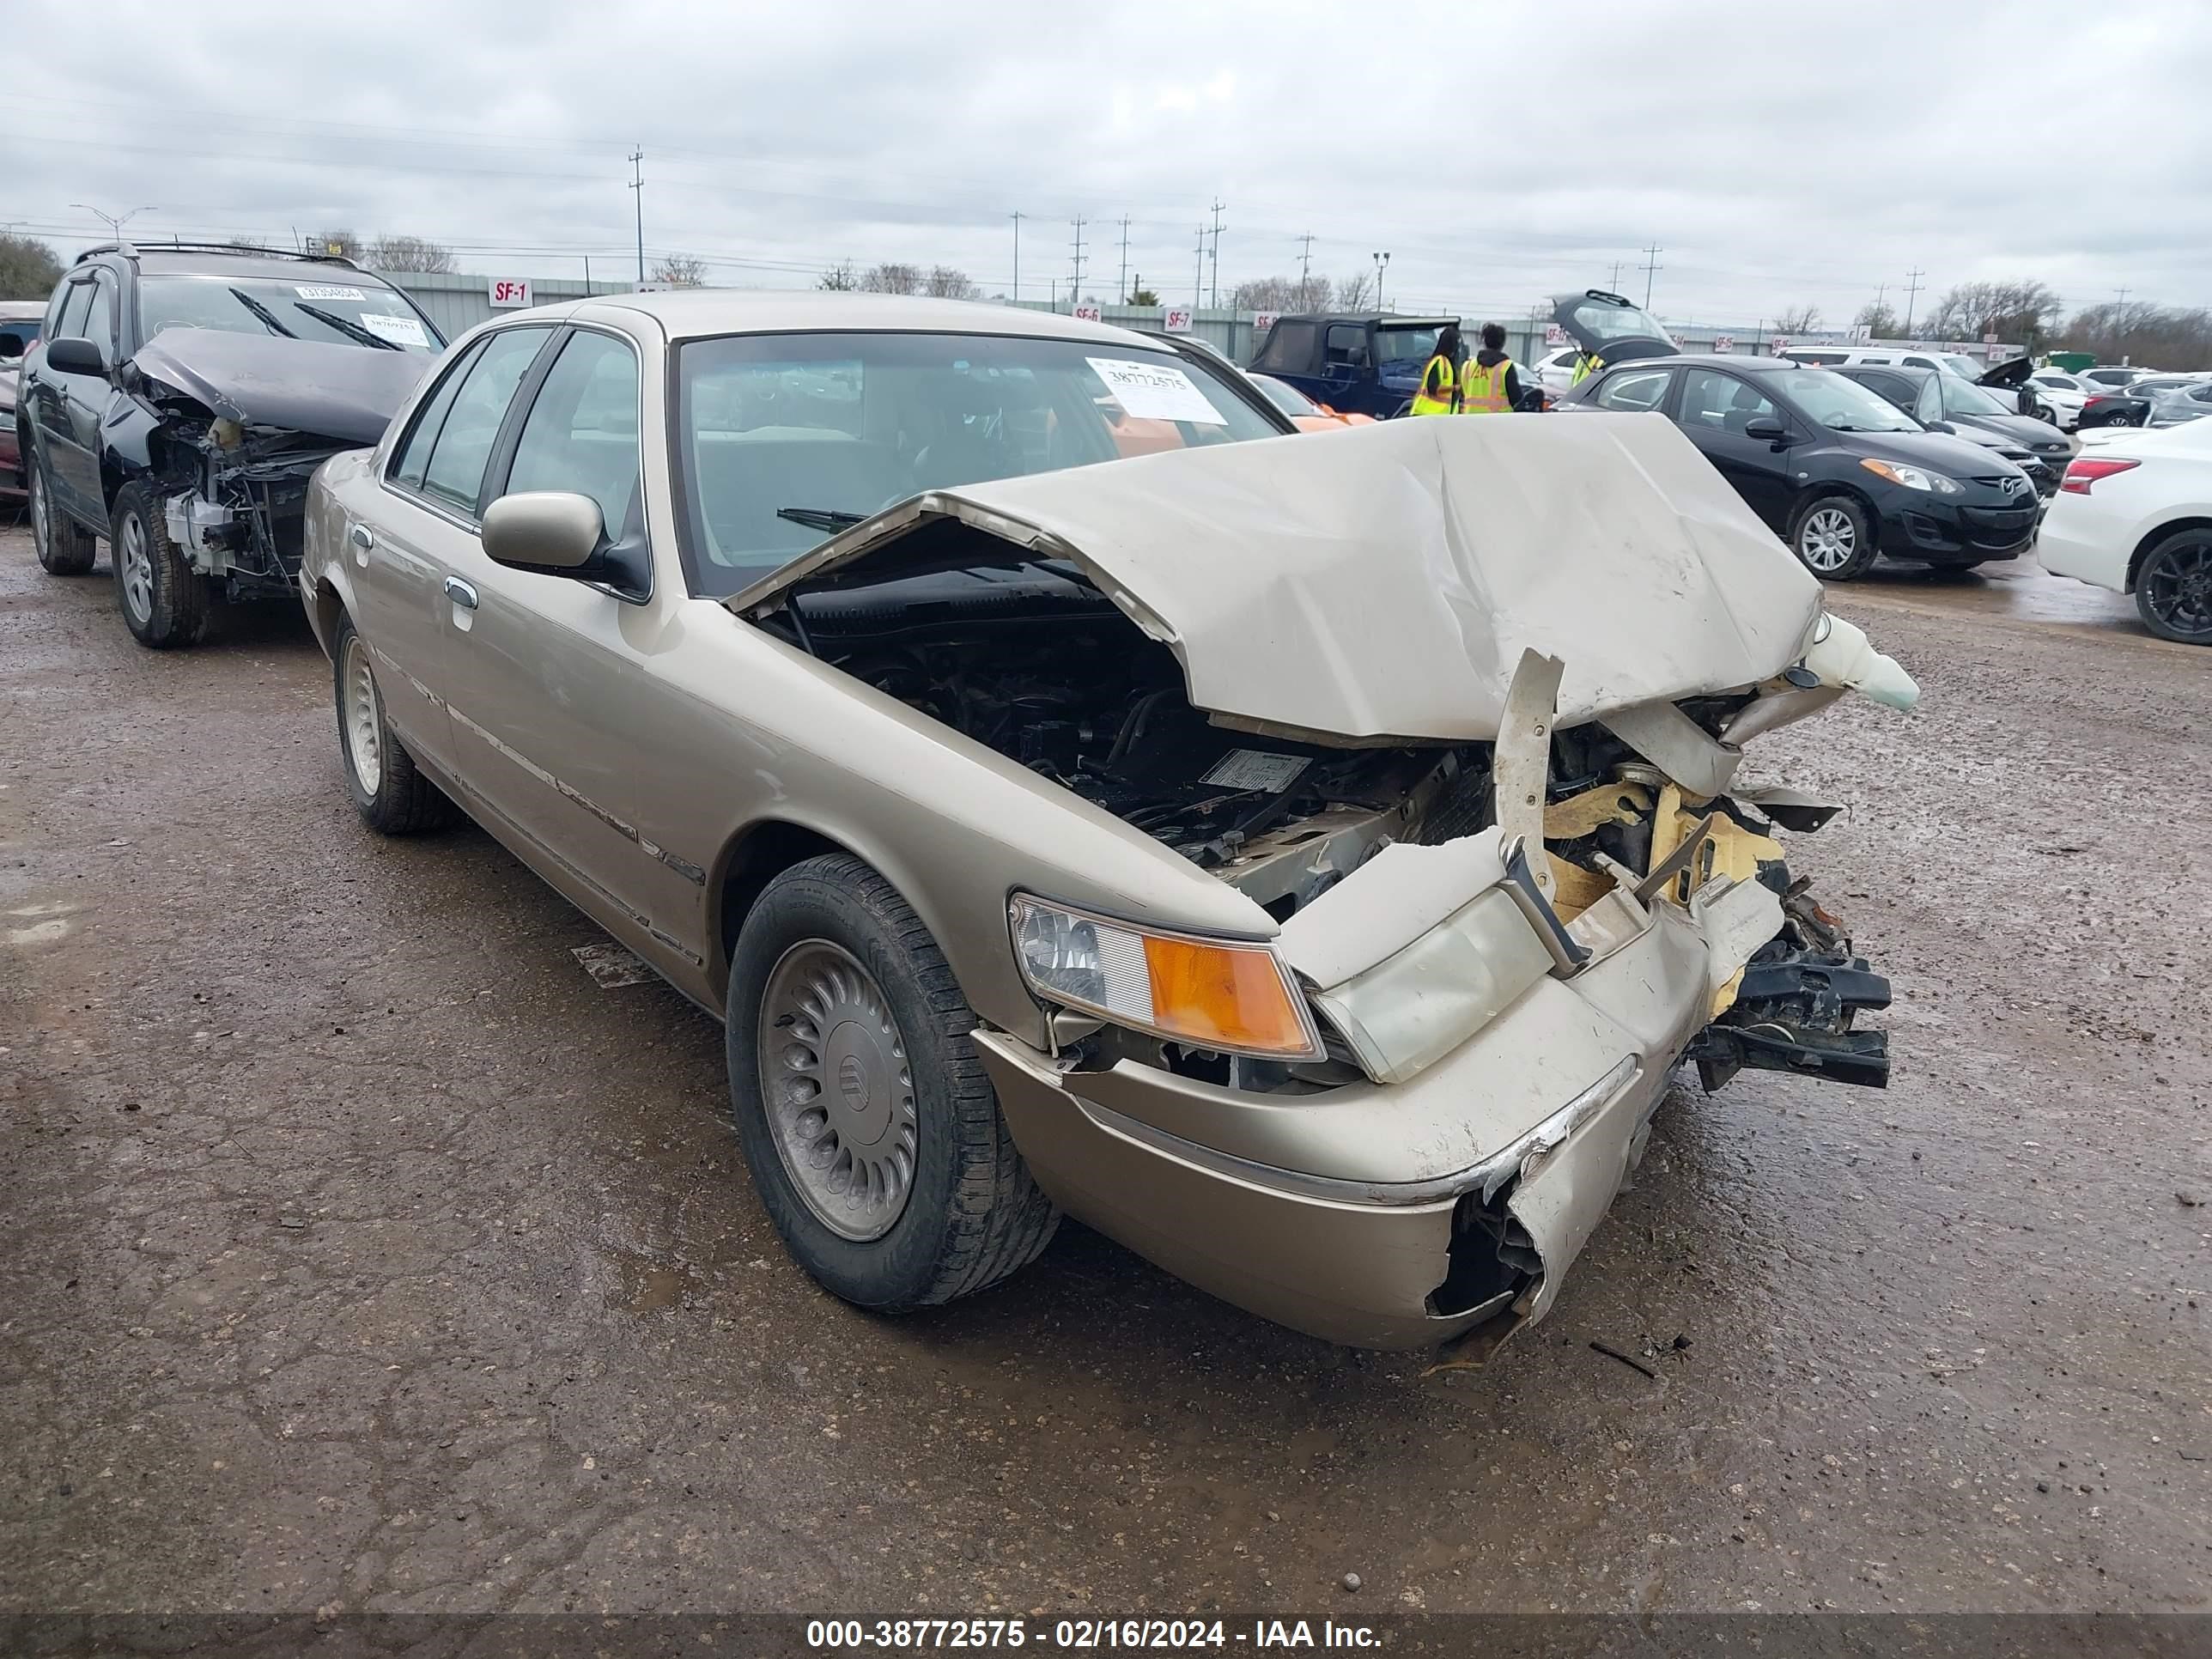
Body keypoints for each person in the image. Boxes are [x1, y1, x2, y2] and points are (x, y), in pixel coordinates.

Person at [1459, 322, 1522, 413]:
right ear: (1503, 343)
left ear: (1484, 341)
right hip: (1497, 423)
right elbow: (1517, 400)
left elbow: (1465, 393)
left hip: (1470, 422)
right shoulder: (1505, 367)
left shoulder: (1468, 366)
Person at [1409, 324, 1460, 416]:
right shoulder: (1440, 362)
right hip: (1426, 415)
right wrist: (1454, 388)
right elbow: (1433, 388)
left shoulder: (1448, 363)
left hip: (1437, 417)